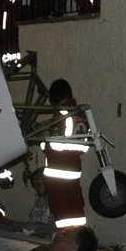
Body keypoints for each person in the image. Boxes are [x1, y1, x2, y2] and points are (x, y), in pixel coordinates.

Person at [38, 78, 88, 229]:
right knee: (75, 206)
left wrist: (42, 141)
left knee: (62, 211)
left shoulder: (61, 115)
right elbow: (83, 146)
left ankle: (65, 237)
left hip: (59, 171)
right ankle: (79, 237)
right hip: (74, 169)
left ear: (54, 98)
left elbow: (54, 144)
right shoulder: (81, 115)